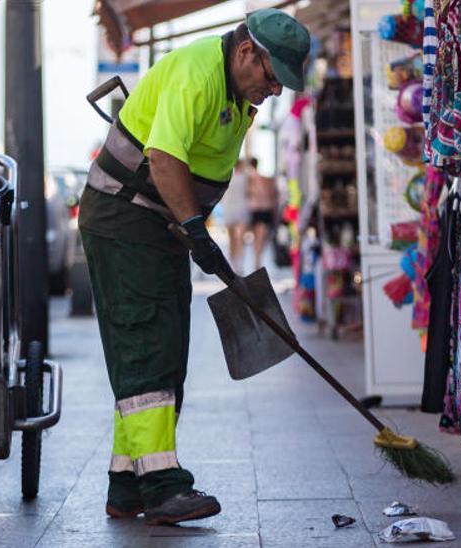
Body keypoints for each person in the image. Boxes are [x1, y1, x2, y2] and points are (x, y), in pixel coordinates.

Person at [77, 9, 310, 525]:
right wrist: (196, 229)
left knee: (161, 347)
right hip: (124, 214)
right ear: (247, 51)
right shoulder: (199, 72)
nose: (274, 91)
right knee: (145, 343)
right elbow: (163, 158)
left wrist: (194, 226)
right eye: (273, 78)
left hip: (157, 224)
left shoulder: (239, 91)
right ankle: (161, 486)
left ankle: (127, 484)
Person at [245, 157, 278, 270]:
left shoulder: (250, 178)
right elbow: (272, 195)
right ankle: (257, 261)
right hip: (264, 209)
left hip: (256, 209)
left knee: (258, 237)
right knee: (261, 237)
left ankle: (257, 261)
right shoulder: (265, 179)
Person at [219, 160, 253, 266]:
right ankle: (237, 261)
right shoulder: (245, 177)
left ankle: (235, 261)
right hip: (238, 207)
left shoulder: (229, 176)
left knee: (234, 238)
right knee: (238, 237)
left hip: (232, 207)